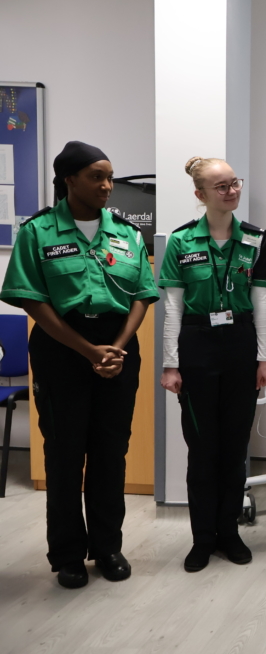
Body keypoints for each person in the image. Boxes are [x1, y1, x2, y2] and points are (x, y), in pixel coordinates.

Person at [0, 141, 159, 589]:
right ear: (69, 180)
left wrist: (116, 348)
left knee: (111, 455)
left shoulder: (126, 233)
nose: (107, 186)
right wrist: (88, 351)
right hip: (61, 351)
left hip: (118, 351)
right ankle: (67, 555)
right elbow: (31, 300)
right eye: (97, 177)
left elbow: (143, 295)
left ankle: (108, 547)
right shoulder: (38, 232)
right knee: (65, 457)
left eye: (110, 177)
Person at [158, 156, 266, 573]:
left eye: (234, 183)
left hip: (241, 344)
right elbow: (171, 308)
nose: (232, 191)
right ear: (200, 195)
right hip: (197, 344)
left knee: (233, 448)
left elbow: (262, 302)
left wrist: (264, 358)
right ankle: (202, 538)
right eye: (221, 186)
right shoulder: (179, 242)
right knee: (202, 448)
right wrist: (171, 365)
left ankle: (229, 532)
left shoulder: (256, 239)